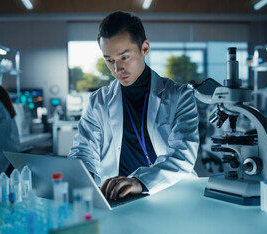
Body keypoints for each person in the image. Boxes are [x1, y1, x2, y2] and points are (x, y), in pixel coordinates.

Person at [68, 11, 199, 200]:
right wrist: (83, 175)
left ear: (145, 48)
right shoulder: (99, 101)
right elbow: (83, 149)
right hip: (119, 197)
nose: (116, 69)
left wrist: (140, 181)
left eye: (124, 57)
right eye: (109, 60)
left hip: (171, 194)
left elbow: (183, 154)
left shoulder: (180, 96)